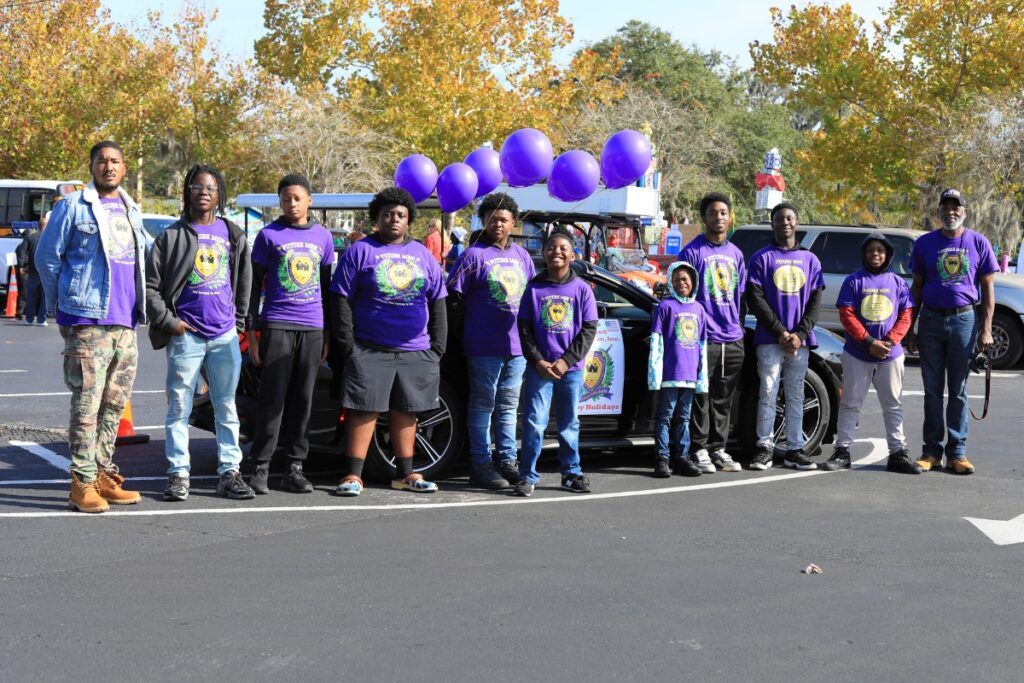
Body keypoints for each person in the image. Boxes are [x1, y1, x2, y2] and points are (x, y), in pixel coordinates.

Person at [36, 141, 146, 513]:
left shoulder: (132, 209)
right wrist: (63, 306)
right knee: (86, 406)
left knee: (113, 405)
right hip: (87, 321)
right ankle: (81, 484)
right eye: (102, 161)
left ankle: (101, 474)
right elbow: (47, 258)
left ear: (124, 167)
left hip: (125, 323)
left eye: (115, 161)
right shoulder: (71, 206)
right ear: (92, 166)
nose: (109, 167)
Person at [145, 165, 254, 501]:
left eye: (211, 188)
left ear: (219, 194)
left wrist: (237, 324)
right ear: (188, 192)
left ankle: (230, 473)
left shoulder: (233, 234)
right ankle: (178, 475)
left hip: (223, 337)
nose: (204, 192)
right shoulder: (170, 237)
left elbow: (245, 284)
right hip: (185, 336)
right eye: (197, 187)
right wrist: (169, 322)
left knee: (227, 406)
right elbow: (150, 287)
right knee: (179, 406)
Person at [330, 187, 447, 496]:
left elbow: (438, 301)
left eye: (400, 215)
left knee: (407, 410)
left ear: (409, 220)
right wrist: (347, 344)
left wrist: (437, 348)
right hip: (369, 346)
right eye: (387, 214)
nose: (394, 219)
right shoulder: (360, 251)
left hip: (415, 349)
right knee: (363, 409)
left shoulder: (422, 253)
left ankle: (406, 474)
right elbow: (340, 297)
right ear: (376, 218)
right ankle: (353, 475)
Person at [246, 174, 335, 494]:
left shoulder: (323, 237)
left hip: (311, 328)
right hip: (277, 325)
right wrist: (253, 334)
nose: (292, 203)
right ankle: (259, 467)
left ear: (309, 200)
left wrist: (326, 335)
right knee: (272, 401)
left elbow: (326, 289)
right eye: (286, 198)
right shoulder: (268, 235)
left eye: (297, 198)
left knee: (303, 401)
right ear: (279, 201)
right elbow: (253, 287)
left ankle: (294, 468)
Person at [904, 189, 997, 474]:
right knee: (932, 390)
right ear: (939, 212)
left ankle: (957, 453)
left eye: (956, 208)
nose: (951, 212)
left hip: (964, 320)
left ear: (964, 212)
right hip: (931, 320)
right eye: (945, 207)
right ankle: (931, 451)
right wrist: (910, 327)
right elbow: (916, 287)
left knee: (958, 391)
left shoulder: (978, 242)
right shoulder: (925, 243)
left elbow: (988, 289)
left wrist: (986, 329)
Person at [446, 193, 535, 489]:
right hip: (483, 346)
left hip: (517, 347)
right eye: (492, 218)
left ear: (513, 223)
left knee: (508, 406)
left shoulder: (522, 256)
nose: (498, 224)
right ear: (484, 220)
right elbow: (453, 299)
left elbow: (533, 298)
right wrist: (466, 333)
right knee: (483, 404)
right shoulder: (472, 256)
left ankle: (506, 459)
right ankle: (480, 464)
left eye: (504, 219)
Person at [821, 232, 921, 474]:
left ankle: (897, 454)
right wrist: (868, 342)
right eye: (870, 250)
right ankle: (842, 451)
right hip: (857, 353)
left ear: (887, 254)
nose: (875, 254)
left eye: (880, 250)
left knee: (893, 404)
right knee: (850, 404)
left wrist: (887, 341)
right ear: (864, 254)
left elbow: (906, 315)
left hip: (891, 354)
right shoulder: (853, 281)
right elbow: (847, 314)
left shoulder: (898, 283)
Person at [514, 228, 598, 497]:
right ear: (544, 253)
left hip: (569, 371)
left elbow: (588, 330)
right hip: (540, 370)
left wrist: (565, 361)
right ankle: (527, 475)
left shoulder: (582, 289)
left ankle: (571, 473)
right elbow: (524, 329)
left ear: (573, 255)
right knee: (534, 422)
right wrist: (538, 361)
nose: (556, 252)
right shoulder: (534, 289)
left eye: (563, 248)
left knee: (569, 424)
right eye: (551, 247)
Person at [746, 201, 824, 471]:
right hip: (770, 340)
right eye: (780, 219)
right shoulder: (762, 258)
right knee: (768, 393)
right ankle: (764, 448)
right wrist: (780, 331)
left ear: (797, 222)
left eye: (790, 218)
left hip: (799, 343)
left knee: (795, 394)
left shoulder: (810, 260)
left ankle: (794, 449)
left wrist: (799, 334)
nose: (785, 223)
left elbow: (815, 301)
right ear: (773, 224)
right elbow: (755, 299)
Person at [679, 192, 746, 474]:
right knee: (701, 396)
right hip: (702, 338)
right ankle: (699, 448)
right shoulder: (692, 252)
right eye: (712, 213)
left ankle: (719, 448)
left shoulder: (737, 254)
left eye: (723, 212)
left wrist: (739, 330)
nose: (718, 217)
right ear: (703, 218)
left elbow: (740, 295)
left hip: (732, 338)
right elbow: (682, 296)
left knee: (723, 397)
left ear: (730, 217)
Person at [648, 261, 708, 478]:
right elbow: (656, 342)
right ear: (671, 282)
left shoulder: (699, 309)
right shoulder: (665, 307)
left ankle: (681, 457)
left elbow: (702, 345)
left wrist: (702, 378)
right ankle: (662, 459)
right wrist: (655, 375)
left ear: (693, 281)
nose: (681, 283)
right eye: (676, 279)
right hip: (670, 375)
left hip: (690, 376)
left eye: (685, 279)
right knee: (665, 417)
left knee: (684, 418)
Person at [17, 211, 48, 325]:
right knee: (45, 297)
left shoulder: (30, 238)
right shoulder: (52, 239)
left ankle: (29, 319)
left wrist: (22, 265)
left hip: (33, 271)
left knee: (31, 296)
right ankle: (42, 320)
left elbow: (22, 251)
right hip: (47, 272)